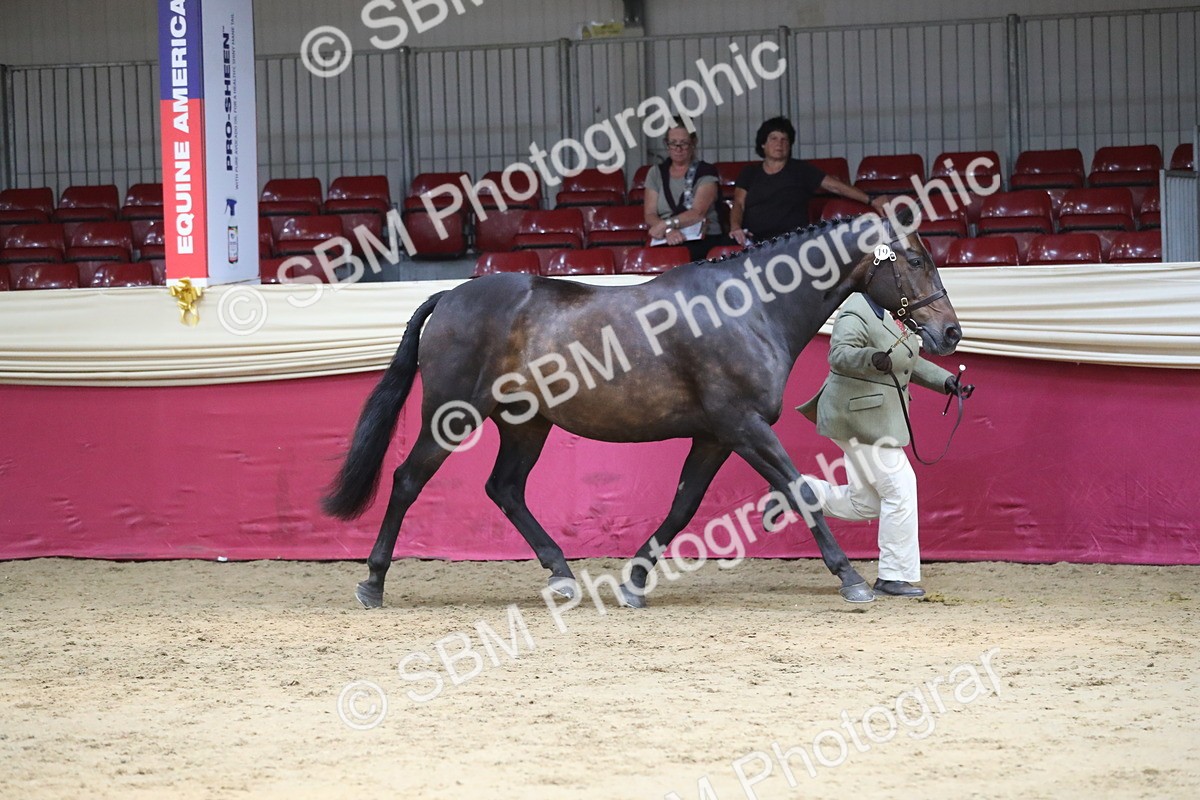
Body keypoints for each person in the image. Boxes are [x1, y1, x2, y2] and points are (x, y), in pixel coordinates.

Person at [794, 292, 974, 598]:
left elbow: (904, 362)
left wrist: (945, 381)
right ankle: (893, 575)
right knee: (900, 488)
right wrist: (871, 359)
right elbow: (839, 354)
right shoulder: (856, 310)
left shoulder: (891, 313)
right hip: (858, 415)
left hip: (870, 414)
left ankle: (797, 491)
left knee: (866, 502)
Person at [730, 116, 888, 245]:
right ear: (763, 144)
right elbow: (738, 204)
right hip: (754, 241)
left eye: (785, 139)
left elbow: (836, 187)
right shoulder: (749, 172)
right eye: (774, 138)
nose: (779, 143)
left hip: (792, 242)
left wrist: (871, 200)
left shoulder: (801, 169)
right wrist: (736, 228)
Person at [642, 118, 726, 262]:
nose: (678, 149)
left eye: (684, 143)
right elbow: (650, 214)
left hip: (702, 237)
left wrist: (666, 224)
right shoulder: (655, 173)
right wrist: (668, 231)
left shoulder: (706, 171)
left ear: (693, 144)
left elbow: (698, 213)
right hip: (666, 237)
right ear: (667, 145)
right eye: (673, 143)